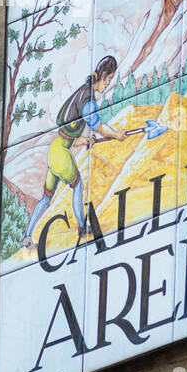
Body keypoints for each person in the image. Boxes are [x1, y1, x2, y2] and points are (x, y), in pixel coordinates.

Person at [22, 55, 127, 249]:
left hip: (55, 150)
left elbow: (68, 135)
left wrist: (84, 140)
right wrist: (117, 134)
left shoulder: (81, 92)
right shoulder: (88, 101)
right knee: (77, 186)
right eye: (109, 80)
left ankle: (27, 236)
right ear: (103, 77)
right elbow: (98, 126)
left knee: (46, 198)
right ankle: (81, 227)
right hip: (61, 154)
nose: (108, 84)